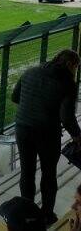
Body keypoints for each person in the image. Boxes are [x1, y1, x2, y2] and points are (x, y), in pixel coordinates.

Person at [12, 49, 81, 226]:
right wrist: (77, 136)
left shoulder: (31, 71)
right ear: (71, 65)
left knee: (26, 172)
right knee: (48, 174)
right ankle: (47, 215)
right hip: (47, 134)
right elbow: (66, 117)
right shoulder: (68, 84)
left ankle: (27, 215)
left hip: (22, 129)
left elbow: (15, 97)